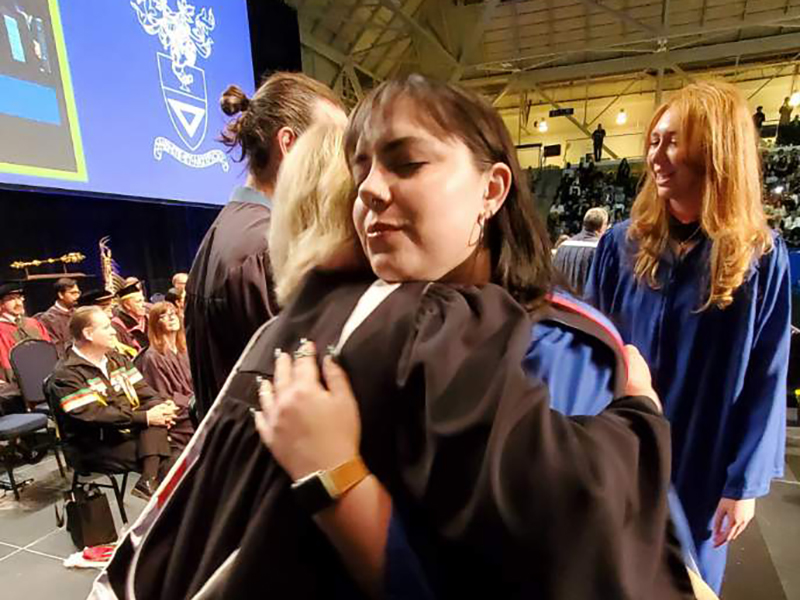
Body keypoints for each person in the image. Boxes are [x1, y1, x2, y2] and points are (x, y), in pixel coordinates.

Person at [95, 77, 696, 600]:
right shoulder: (380, 322)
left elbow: (564, 562)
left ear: (493, 189)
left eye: (407, 164)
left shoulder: (554, 349)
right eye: (360, 171)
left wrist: (334, 479)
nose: (370, 191)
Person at [586, 81, 790, 593]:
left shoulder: (759, 258)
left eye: (672, 141)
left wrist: (742, 484)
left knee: (686, 582)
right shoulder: (621, 245)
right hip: (623, 453)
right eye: (653, 141)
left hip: (703, 460)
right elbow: (592, 349)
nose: (656, 155)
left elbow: (767, 376)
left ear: (714, 149)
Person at [184, 71, 347, 419]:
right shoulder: (264, 248)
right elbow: (300, 401)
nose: (343, 164)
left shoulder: (227, 232)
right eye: (332, 145)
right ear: (289, 144)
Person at [46, 306, 178, 499]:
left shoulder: (116, 359)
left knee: (171, 444)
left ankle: (148, 482)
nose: (114, 331)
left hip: (127, 431)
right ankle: (166, 513)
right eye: (107, 327)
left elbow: (145, 393)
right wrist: (146, 417)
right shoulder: (66, 374)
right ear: (88, 333)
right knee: (170, 458)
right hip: (95, 445)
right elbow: (96, 415)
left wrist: (161, 406)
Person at [138, 302, 195, 451]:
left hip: (195, 404)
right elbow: (163, 395)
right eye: (164, 315)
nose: (171, 317)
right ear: (155, 324)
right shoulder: (153, 356)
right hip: (179, 412)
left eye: (173, 313)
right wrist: (193, 404)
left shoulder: (185, 349)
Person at [0, 281, 51, 382]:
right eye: (11, 299)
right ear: (1, 304)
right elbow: (5, 362)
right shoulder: (1, 329)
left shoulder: (33, 323)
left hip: (45, 376)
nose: (18, 303)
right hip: (15, 384)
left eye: (19, 298)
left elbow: (48, 350)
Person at [553, 207, 608, 296]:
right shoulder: (600, 249)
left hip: (563, 303)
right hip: (585, 307)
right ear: (602, 227)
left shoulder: (563, 246)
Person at [35, 277, 81, 357]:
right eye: (72, 293)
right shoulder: (49, 318)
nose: (77, 296)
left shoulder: (78, 313)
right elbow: (56, 347)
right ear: (60, 295)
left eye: (78, 293)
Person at [111, 282, 148, 353]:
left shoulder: (149, 318)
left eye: (143, 300)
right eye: (138, 302)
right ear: (127, 305)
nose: (143, 305)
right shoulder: (117, 326)